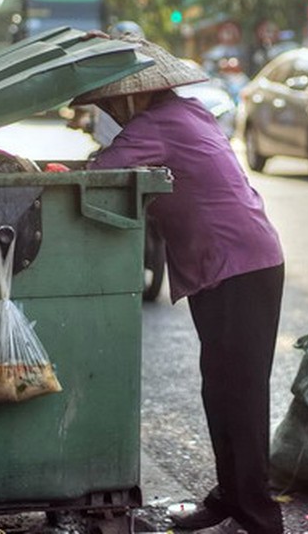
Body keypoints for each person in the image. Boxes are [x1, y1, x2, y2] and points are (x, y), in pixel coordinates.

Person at [74, 37, 285, 534]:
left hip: (240, 265)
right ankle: (230, 495)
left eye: (109, 103)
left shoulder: (156, 125)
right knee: (220, 386)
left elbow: (101, 172)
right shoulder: (189, 113)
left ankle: (259, 514)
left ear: (130, 97)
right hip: (233, 262)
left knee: (243, 393)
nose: (108, 112)